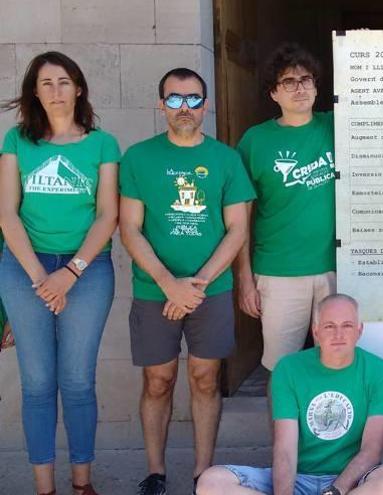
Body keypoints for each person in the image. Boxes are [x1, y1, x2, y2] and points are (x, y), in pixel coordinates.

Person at [118, 67, 256, 495]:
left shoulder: (226, 159)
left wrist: (194, 285)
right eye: (174, 98)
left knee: (204, 378)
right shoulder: (139, 157)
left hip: (209, 292)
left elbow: (237, 229)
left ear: (206, 105)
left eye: (193, 99)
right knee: (158, 380)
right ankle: (156, 473)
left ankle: (203, 474)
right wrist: (167, 283)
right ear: (160, 104)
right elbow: (129, 227)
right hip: (152, 291)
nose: (184, 107)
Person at [0, 51, 120, 495]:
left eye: (64, 81)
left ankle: (82, 483)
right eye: (46, 83)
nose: (56, 91)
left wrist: (70, 273)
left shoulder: (102, 144)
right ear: (35, 91)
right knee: (36, 383)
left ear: (79, 88)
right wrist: (38, 276)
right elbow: (7, 214)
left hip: (86, 269)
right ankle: (44, 487)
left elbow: (108, 215)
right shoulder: (16, 141)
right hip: (23, 266)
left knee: (76, 380)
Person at [196, 294, 383, 495]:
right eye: (329, 326)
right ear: (316, 332)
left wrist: (334, 492)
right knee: (211, 482)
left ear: (359, 330)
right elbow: (285, 449)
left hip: (350, 483)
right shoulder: (289, 369)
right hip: (297, 478)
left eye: (347, 326)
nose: (339, 334)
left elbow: (371, 451)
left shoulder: (382, 372)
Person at [234, 42, 336, 374]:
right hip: (278, 272)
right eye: (288, 82)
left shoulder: (338, 127)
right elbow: (240, 215)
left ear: (317, 85)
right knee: (282, 369)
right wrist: (245, 279)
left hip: (337, 268)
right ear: (273, 93)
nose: (300, 88)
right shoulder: (255, 141)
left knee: (336, 363)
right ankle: (283, 429)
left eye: (306, 79)